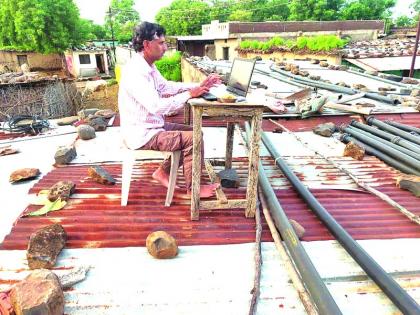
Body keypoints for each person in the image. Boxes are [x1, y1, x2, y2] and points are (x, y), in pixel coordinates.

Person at [118, 21, 221, 198]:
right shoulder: (136, 72)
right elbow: (157, 106)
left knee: (197, 132)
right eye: (161, 43)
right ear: (146, 44)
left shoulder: (147, 65)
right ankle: (193, 189)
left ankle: (162, 172)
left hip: (151, 127)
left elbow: (166, 87)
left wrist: (198, 85)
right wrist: (190, 94)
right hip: (143, 134)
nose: (165, 47)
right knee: (193, 138)